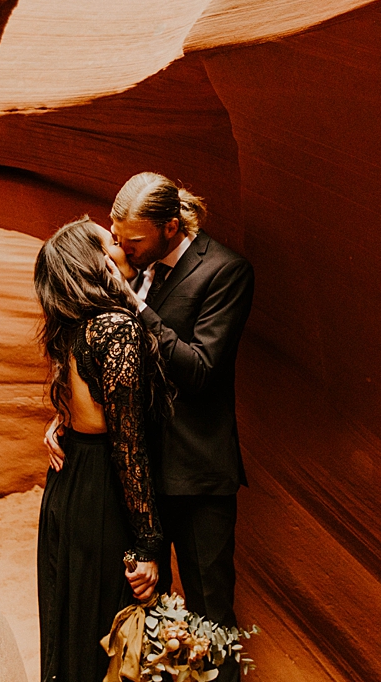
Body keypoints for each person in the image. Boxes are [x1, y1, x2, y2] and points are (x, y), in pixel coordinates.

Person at [46, 172, 254, 682]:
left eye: (133, 240)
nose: (121, 248)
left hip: (196, 475)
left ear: (170, 226)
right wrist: (66, 420)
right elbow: (114, 372)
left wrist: (136, 305)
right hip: (135, 479)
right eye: (117, 237)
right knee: (142, 617)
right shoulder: (133, 265)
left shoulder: (226, 272)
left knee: (208, 620)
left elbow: (201, 370)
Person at [34, 215, 171, 682]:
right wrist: (149, 544)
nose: (119, 245)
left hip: (68, 484)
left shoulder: (70, 325)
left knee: (70, 624)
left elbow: (82, 402)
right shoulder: (115, 327)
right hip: (103, 494)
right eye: (108, 242)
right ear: (92, 263)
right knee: (112, 640)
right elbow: (127, 444)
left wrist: (59, 424)